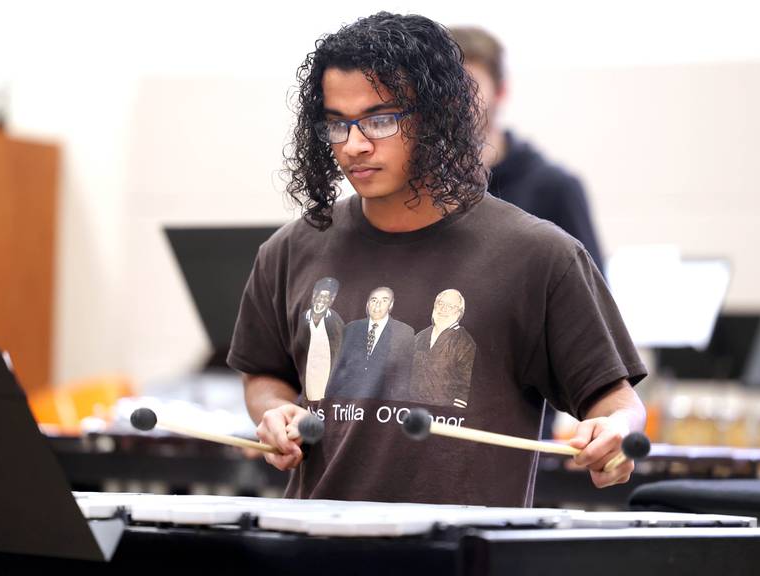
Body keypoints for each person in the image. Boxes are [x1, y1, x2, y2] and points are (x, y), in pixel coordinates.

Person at [227, 12, 647, 506]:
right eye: (337, 124)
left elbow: (618, 403)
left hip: (468, 552)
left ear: (439, 114)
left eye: (380, 119)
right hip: (315, 545)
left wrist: (613, 434)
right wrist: (275, 410)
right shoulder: (290, 250)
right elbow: (265, 375)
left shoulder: (539, 256)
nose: (355, 146)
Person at [448, 26, 604, 270]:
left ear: (500, 91)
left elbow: (592, 299)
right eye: (443, 89)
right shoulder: (422, 192)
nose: (453, 101)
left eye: (467, 88)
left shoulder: (555, 189)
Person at [325, 286, 414, 401]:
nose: (378, 305)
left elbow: (404, 376)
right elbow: (339, 367)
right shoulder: (351, 328)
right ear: (367, 304)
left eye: (384, 300)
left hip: (382, 404)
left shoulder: (404, 331)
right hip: (348, 402)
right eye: (374, 300)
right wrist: (329, 399)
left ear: (391, 305)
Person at [408, 289, 476, 408]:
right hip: (412, 408)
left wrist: (454, 413)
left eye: (450, 306)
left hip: (442, 413)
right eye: (441, 303)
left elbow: (466, 385)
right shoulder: (419, 336)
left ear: (459, 312)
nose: (443, 309)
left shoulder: (465, 342)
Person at [299, 277, 344, 401]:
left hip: (327, 371)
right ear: (314, 296)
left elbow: (340, 347)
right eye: (319, 296)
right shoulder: (302, 319)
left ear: (331, 300)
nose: (321, 301)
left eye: (326, 298)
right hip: (308, 372)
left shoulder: (335, 320)